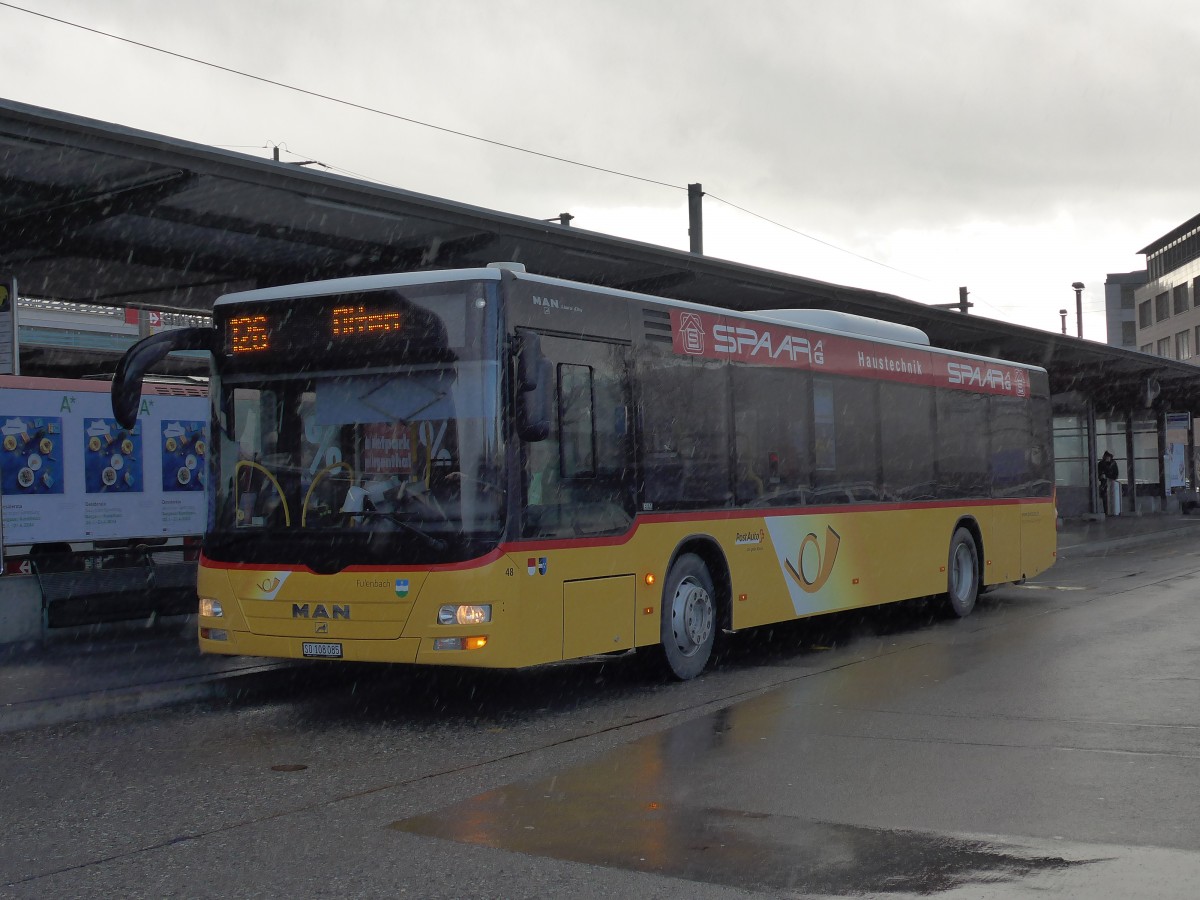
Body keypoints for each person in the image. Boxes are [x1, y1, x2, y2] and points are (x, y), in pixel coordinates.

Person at [1098, 451, 1119, 515]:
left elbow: (1115, 474)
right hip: (1105, 484)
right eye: (1106, 457)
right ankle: (1107, 511)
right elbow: (1099, 474)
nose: (1107, 458)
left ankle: (1110, 511)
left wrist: (1106, 476)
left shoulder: (1112, 463)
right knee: (1105, 498)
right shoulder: (1102, 464)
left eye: (1108, 457)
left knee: (1108, 498)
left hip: (1109, 483)